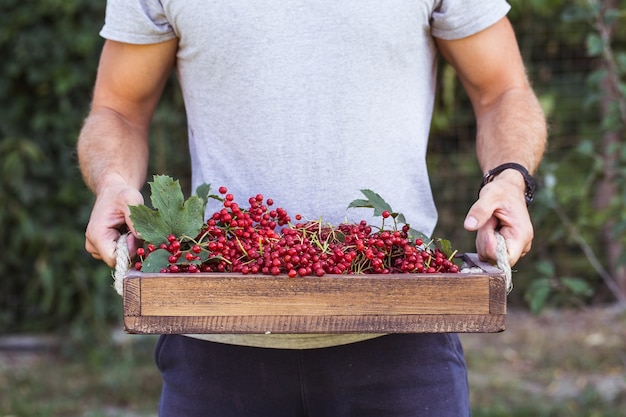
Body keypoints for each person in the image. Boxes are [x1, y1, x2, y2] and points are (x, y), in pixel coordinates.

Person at [77, 1, 547, 416]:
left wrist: (509, 177)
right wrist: (114, 182)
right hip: (215, 338)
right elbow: (118, 108)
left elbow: (501, 90)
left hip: (401, 335)